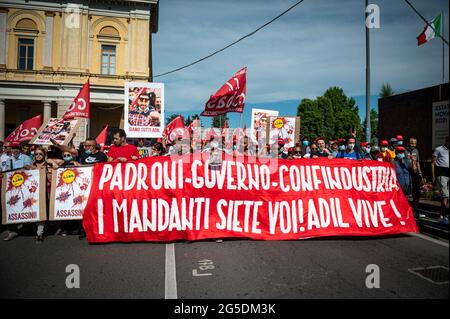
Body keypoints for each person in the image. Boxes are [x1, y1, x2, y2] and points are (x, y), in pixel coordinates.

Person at [3, 146, 49, 243]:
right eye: (36, 154)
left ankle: (39, 233)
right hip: (29, 192)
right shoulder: (30, 165)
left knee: (39, 211)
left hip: (42, 192)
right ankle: (14, 231)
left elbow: (55, 169)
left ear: (44, 155)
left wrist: (48, 164)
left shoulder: (47, 164)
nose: (38, 156)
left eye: (40, 154)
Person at [432, 136, 449, 225]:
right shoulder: (438, 149)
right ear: (446, 140)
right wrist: (433, 176)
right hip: (441, 174)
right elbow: (433, 163)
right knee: (445, 196)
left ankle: (441, 214)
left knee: (446, 197)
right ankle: (445, 216)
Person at [405, 137, 424, 217]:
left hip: (415, 173)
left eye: (415, 143)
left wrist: (420, 173)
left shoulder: (416, 151)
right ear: (408, 143)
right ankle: (407, 211)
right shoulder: (404, 151)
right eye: (412, 143)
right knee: (407, 192)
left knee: (416, 193)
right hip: (406, 173)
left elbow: (418, 162)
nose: (413, 145)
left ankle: (415, 210)